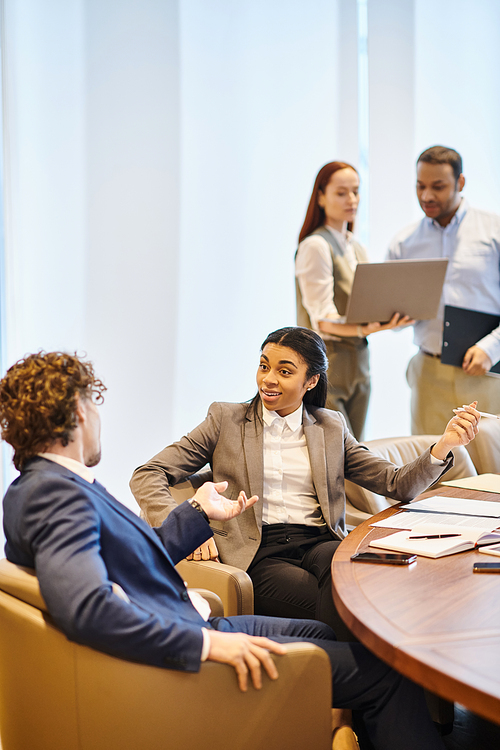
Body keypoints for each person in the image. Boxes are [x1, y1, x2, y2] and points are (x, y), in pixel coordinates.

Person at [0, 351, 454, 750]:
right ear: (78, 415)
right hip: (182, 647)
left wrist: (197, 512)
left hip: (184, 615)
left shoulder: (43, 485)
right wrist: (207, 642)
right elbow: (87, 608)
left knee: (323, 633)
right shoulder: (55, 496)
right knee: (387, 674)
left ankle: (339, 726)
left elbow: (129, 559)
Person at [131, 326, 479, 645]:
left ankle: (340, 696)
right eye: (264, 366)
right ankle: (352, 695)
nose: (268, 379)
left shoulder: (330, 426)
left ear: (311, 381)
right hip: (260, 552)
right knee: (359, 605)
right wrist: (186, 525)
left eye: (284, 371)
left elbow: (395, 483)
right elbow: (148, 474)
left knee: (356, 581)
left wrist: (444, 445)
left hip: (320, 543)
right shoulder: (225, 419)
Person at [388, 145, 500, 435]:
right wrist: (393, 317)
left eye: (438, 187)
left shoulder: (494, 231)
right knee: (429, 470)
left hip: (486, 373)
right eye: (420, 186)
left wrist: (491, 348)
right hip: (429, 375)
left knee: (489, 472)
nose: (426, 196)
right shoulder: (404, 242)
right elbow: (392, 317)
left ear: (460, 183)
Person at [295, 161, 412, 440]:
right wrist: (364, 328)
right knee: (336, 452)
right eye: (341, 193)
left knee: (355, 450)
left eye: (356, 192)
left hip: (359, 359)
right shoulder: (315, 245)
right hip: (328, 362)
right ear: (321, 197)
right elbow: (322, 318)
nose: (352, 200)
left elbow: (365, 306)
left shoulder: (355, 246)